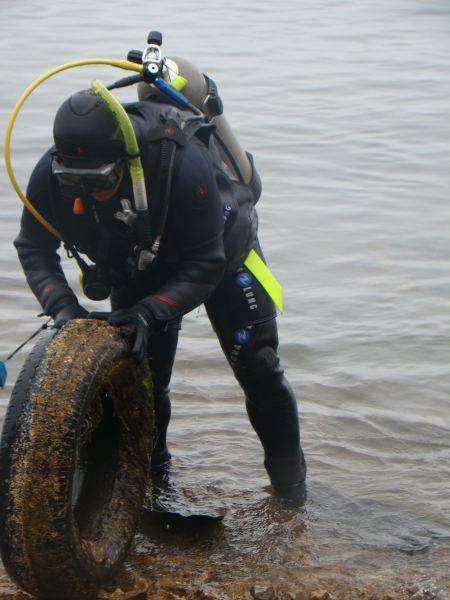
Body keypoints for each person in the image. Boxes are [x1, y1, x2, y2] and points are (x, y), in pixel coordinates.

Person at [14, 83, 306, 493]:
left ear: (126, 161)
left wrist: (149, 312)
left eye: (101, 179)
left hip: (221, 256)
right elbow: (32, 244)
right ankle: (153, 489)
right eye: (71, 181)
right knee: (140, 383)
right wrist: (63, 306)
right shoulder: (49, 173)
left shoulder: (180, 166)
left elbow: (206, 265)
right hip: (138, 266)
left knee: (260, 369)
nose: (85, 195)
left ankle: (292, 496)